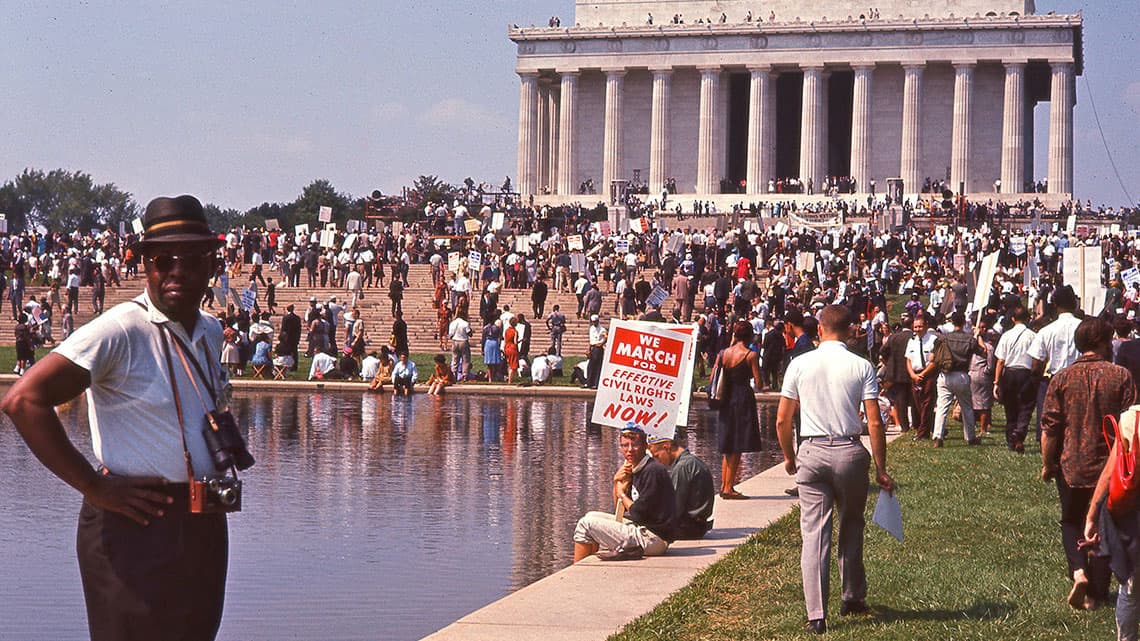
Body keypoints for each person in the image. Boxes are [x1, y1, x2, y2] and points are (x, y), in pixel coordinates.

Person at [1, 195, 235, 640]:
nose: (176, 271)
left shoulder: (208, 329)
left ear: (211, 262)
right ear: (144, 263)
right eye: (163, 260)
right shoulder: (122, 329)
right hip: (134, 523)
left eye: (190, 258)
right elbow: (23, 400)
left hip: (203, 521)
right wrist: (93, 486)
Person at [776, 305, 894, 635]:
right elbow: (874, 421)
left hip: (811, 450)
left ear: (820, 330)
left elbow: (783, 419)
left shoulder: (799, 364)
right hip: (849, 449)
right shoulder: (861, 365)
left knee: (814, 533)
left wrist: (789, 456)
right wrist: (882, 468)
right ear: (850, 329)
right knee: (852, 523)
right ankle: (852, 595)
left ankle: (816, 613)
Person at [1041, 317, 1134, 611]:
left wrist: (1047, 463)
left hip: (1070, 463)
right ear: (1105, 342)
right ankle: (1096, 594)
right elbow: (1130, 424)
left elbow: (1050, 428)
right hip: (1110, 465)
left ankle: (1078, 571)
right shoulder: (1121, 376)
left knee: (1070, 521)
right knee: (1107, 527)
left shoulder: (1061, 378)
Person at [572, 426, 678, 562]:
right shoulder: (634, 467)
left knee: (585, 524)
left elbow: (638, 513)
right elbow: (620, 509)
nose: (629, 449)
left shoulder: (652, 471)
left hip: (654, 538)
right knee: (591, 515)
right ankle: (587, 564)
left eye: (635, 445)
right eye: (625, 445)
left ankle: (578, 573)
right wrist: (617, 481)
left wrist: (621, 493)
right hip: (643, 528)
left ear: (645, 446)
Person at [1084, 403, 1140, 640]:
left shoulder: (1133, 419)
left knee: (1131, 587)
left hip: (1134, 516)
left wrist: (1092, 515)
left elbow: (1110, 471)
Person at [712, 321, 764, 499]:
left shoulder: (724, 353)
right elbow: (759, 383)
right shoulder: (751, 355)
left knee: (727, 443)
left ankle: (724, 484)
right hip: (742, 397)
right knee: (737, 443)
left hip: (726, 398)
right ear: (750, 335)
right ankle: (729, 487)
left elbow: (714, 376)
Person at [1030, 285, 1083, 443]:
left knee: (1050, 424)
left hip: (1053, 380)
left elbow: (1036, 365)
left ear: (1054, 305)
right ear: (1074, 304)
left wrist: (1039, 379)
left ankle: (1049, 459)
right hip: (1079, 379)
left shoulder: (1046, 331)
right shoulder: (1083, 328)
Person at [930, 312, 987, 447]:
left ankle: (938, 436)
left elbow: (932, 358)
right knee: (966, 407)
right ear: (964, 323)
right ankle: (970, 437)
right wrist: (978, 335)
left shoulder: (943, 339)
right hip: (961, 375)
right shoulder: (969, 339)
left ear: (952, 322)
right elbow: (984, 352)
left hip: (944, 375)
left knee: (942, 407)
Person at [648, 435, 715, 539]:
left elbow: (673, 509)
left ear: (666, 447)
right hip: (697, 525)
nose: (657, 461)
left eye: (657, 456)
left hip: (687, 527)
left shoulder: (681, 467)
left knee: (636, 525)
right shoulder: (692, 461)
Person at [993, 306, 1038, 452]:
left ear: (1013, 319)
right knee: (1026, 406)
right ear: (1027, 318)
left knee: (1010, 408)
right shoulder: (1033, 336)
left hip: (1009, 373)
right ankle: (1019, 431)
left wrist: (996, 382)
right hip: (1026, 373)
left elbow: (1000, 360)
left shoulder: (1006, 336)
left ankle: (1011, 439)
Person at [905, 315, 938, 439]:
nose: (917, 329)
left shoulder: (933, 340)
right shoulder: (911, 341)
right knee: (918, 404)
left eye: (920, 326)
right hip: (915, 375)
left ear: (926, 326)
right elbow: (908, 360)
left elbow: (934, 361)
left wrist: (923, 374)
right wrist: (913, 375)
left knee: (927, 404)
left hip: (928, 375)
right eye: (915, 327)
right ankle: (934, 428)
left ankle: (922, 433)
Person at [586, 314, 606, 389]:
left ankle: (596, 383)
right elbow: (591, 340)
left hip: (598, 348)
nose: (594, 323)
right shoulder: (591, 328)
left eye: (595, 322)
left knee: (597, 366)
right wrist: (588, 349)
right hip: (592, 347)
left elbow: (606, 337)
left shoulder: (602, 329)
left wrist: (601, 344)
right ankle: (589, 383)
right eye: (593, 322)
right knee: (590, 366)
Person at [503, 317, 520, 384]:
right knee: (513, 366)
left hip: (507, 347)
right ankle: (510, 381)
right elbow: (515, 341)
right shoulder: (515, 331)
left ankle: (509, 378)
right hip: (512, 348)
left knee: (509, 364)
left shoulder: (507, 330)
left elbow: (505, 340)